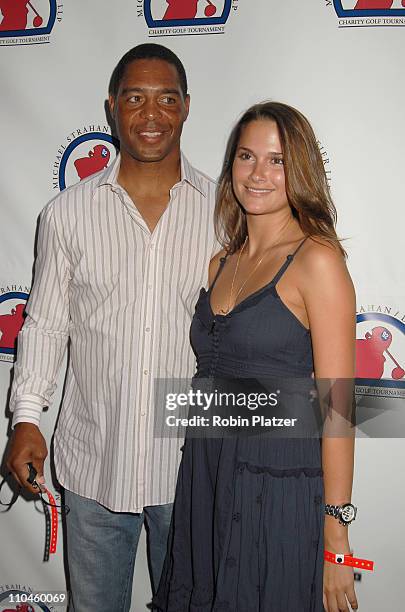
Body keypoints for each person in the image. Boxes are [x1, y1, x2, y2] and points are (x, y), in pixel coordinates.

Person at [6, 43, 217, 612]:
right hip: (94, 456)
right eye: (135, 98)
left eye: (166, 99)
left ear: (187, 107)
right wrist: (27, 418)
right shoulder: (67, 213)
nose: (151, 115)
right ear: (112, 107)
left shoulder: (226, 211)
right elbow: (46, 324)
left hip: (190, 464)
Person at [153, 102, 358, 611]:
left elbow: (338, 412)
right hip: (208, 471)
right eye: (247, 156)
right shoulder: (220, 261)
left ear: (300, 171)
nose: (258, 173)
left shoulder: (317, 261)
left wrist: (336, 542)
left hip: (277, 486)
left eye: (277, 160)